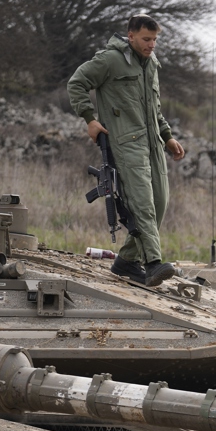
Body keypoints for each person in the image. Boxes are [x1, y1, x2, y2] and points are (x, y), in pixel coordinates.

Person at [67, 14, 185, 287]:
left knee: (159, 203)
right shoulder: (110, 60)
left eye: (154, 39)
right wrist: (90, 119)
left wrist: (167, 136)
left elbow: (154, 108)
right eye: (146, 39)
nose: (151, 44)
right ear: (130, 36)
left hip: (153, 144)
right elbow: (77, 83)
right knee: (142, 203)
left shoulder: (151, 64)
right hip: (126, 144)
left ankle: (127, 261)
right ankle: (153, 263)